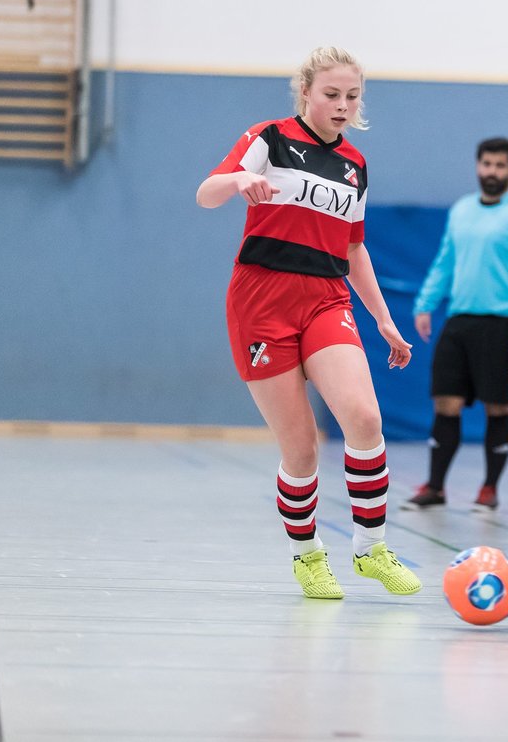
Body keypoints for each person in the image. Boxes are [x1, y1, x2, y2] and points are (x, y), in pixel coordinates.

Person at [195, 46, 420, 601]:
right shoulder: (268, 138)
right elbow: (206, 193)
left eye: (352, 96)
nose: (343, 105)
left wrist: (385, 322)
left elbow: (354, 249)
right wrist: (238, 184)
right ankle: (308, 556)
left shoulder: (356, 165)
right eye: (331, 94)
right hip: (260, 300)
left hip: (326, 297)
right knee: (300, 450)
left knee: (364, 417)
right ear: (306, 93)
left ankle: (372, 550)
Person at [405, 137, 508, 512]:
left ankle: (489, 488)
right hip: (459, 320)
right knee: (445, 401)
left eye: (500, 166)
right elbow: (444, 261)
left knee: (497, 406)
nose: (492, 172)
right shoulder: (461, 210)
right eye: (487, 164)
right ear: (477, 166)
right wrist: (425, 304)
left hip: (503, 325)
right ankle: (435, 487)